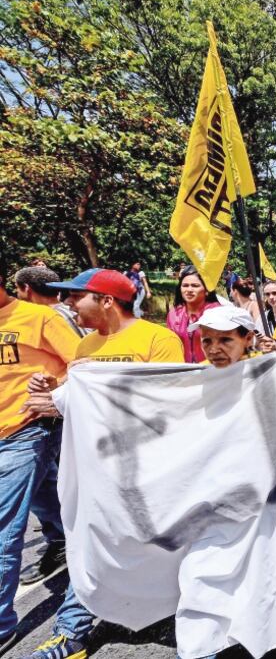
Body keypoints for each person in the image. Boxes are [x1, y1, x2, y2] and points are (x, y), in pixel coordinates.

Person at [21, 268, 184, 659]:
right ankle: (71, 634)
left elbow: (170, 403)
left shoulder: (159, 340)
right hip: (98, 471)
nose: (69, 303)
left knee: (165, 548)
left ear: (107, 301)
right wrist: (52, 394)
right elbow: (78, 406)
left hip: (148, 469)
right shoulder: (85, 346)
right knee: (91, 545)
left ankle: (187, 618)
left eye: (78, 297)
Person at [0, 271, 79, 656]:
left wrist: (54, 387)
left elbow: (85, 366)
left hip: (27, 429)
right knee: (43, 495)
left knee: (3, 529)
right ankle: (67, 538)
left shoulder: (40, 318)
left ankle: (1, 626)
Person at [167, 266, 222, 364]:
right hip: (182, 371)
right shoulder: (174, 313)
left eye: (195, 285)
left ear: (207, 290)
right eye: (185, 285)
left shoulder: (217, 312)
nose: (189, 289)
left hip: (212, 370)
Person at [13, 267, 88, 338]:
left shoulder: (48, 318)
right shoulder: (72, 312)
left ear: (26, 288)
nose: (17, 292)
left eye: (17, 287)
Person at [192, 305, 259, 368]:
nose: (214, 351)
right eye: (206, 341)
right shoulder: (198, 373)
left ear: (248, 339)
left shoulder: (264, 368)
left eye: (225, 340)